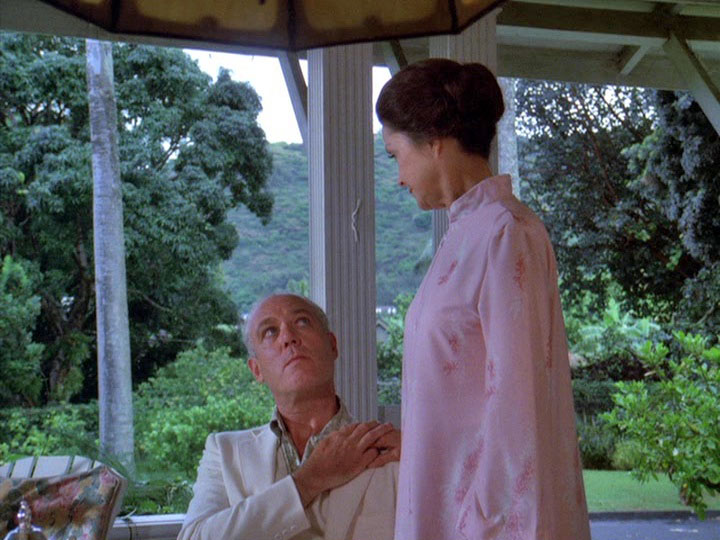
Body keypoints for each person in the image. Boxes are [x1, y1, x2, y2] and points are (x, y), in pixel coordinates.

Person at [376, 59, 591, 540]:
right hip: (449, 509)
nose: (398, 177)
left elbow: (518, 405)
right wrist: (421, 445)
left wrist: (484, 527)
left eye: (395, 155)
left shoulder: (505, 233)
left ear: (434, 141)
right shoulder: (466, 234)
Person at [177, 293, 400, 540]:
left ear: (332, 346)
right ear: (257, 370)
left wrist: (424, 457)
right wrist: (309, 480)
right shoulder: (224, 452)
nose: (288, 337)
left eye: (302, 322)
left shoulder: (390, 449)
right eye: (270, 332)